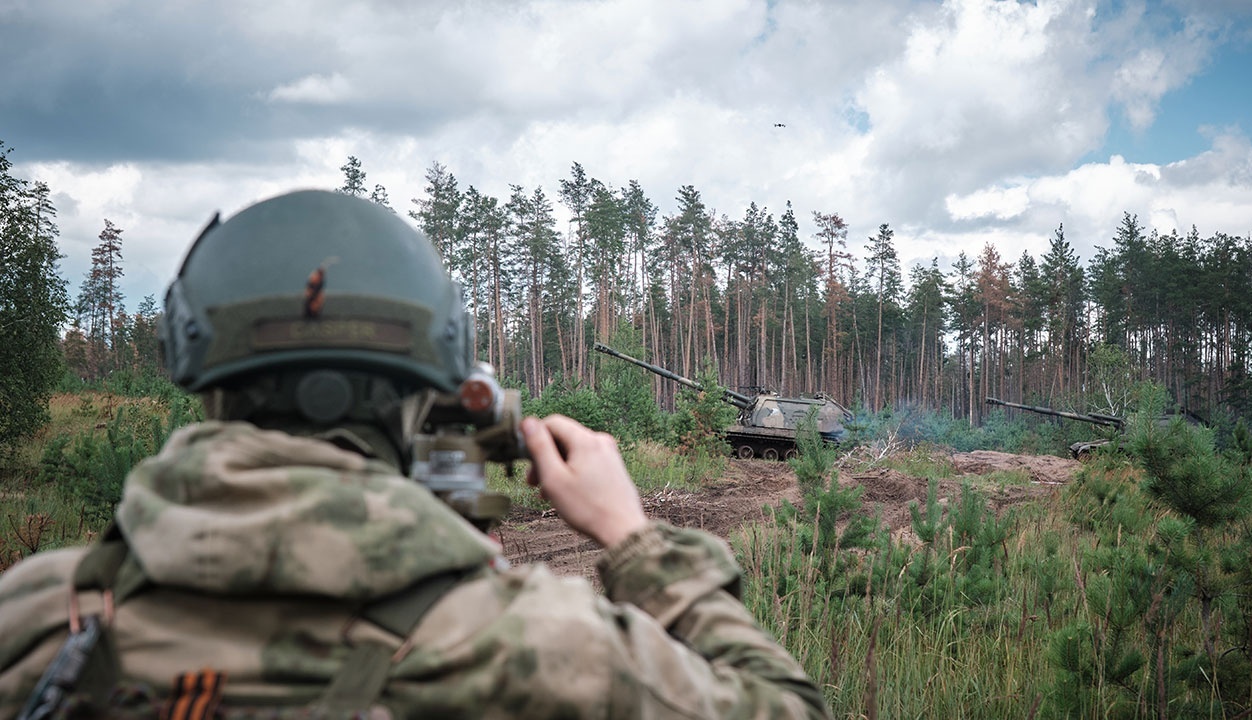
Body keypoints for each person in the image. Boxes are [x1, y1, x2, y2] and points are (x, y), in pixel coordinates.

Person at [0, 189, 830, 719]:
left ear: (199, 363)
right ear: (433, 371)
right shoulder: (534, 641)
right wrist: (632, 536)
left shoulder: (40, 615)